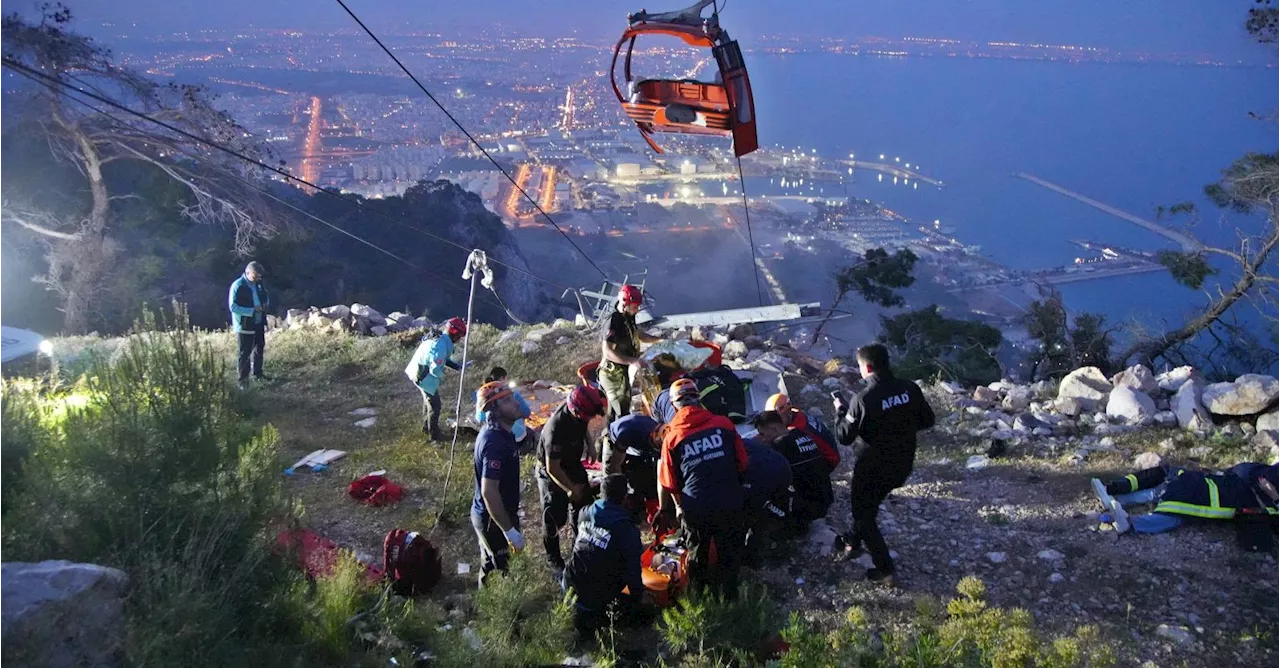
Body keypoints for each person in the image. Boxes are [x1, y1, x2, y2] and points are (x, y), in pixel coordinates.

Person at [832, 344, 935, 585]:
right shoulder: (910, 388)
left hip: (872, 467)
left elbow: (844, 437)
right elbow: (927, 420)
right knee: (869, 507)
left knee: (863, 515)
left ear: (866, 367)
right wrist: (901, 429)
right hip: (903, 463)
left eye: (859, 367)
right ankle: (852, 541)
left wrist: (840, 413)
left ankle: (885, 570)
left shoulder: (863, 400)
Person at [656, 378, 749, 597]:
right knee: (730, 550)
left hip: (697, 506)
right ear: (699, 398)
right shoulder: (724, 424)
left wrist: (678, 507)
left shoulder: (672, 438)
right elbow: (743, 463)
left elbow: (669, 482)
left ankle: (699, 597)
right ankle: (730, 597)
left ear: (673, 405)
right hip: (729, 500)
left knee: (698, 552)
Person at [563, 474, 651, 640]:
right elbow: (633, 575)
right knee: (647, 613)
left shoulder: (584, 512)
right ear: (625, 498)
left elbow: (591, 545)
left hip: (570, 584)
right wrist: (639, 598)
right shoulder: (626, 529)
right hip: (597, 598)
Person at [536, 385, 608, 577]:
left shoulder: (580, 410)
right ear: (576, 412)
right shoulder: (556, 428)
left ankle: (582, 548)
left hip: (572, 463)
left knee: (583, 506)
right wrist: (569, 489)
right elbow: (553, 468)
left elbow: (583, 425)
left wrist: (590, 444)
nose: (590, 420)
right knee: (554, 517)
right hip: (553, 472)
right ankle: (554, 559)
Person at [1091, 461, 1280, 534]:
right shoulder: (1266, 472)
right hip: (1224, 485)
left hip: (1232, 495)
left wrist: (1275, 498)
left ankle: (1129, 521)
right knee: (1169, 490)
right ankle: (1118, 499)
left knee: (1178, 509)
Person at [471, 381, 527, 587]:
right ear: (494, 409)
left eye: (512, 397)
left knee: (491, 563)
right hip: (492, 519)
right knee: (503, 570)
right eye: (506, 401)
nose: (514, 403)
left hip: (500, 513)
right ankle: (506, 615)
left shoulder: (503, 433)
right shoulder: (493, 443)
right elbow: (489, 491)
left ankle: (486, 602)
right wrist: (509, 531)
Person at [752, 410, 834, 533]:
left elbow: (762, 474)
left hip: (808, 509)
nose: (763, 439)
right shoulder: (800, 433)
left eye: (763, 434)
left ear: (773, 429)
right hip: (825, 498)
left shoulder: (780, 445)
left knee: (759, 502)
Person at [599, 284, 661, 424]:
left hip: (624, 371)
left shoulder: (628, 316)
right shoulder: (614, 321)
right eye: (634, 306)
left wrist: (657, 340)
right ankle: (617, 439)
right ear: (625, 303)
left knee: (614, 411)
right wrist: (632, 361)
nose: (637, 310)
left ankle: (609, 435)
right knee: (622, 411)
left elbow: (636, 333)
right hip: (613, 375)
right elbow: (607, 352)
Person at [404, 317, 468, 442]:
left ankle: (426, 427)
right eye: (460, 336)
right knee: (435, 405)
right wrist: (442, 376)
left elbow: (443, 359)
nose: (460, 339)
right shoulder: (441, 346)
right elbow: (435, 369)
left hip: (415, 370)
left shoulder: (440, 338)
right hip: (423, 377)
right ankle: (434, 436)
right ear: (455, 335)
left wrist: (457, 367)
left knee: (428, 401)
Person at [740, 436, 793, 566]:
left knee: (748, 514)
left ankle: (751, 555)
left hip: (764, 476)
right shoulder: (739, 440)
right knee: (771, 503)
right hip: (783, 468)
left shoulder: (725, 452)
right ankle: (784, 529)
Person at [603, 413, 663, 522]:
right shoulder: (626, 433)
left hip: (637, 448)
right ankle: (618, 519)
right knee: (612, 485)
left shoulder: (659, 431)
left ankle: (645, 512)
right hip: (615, 441)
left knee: (646, 479)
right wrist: (623, 494)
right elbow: (615, 468)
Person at [765, 393, 840, 472]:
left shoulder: (798, 429)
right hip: (827, 453)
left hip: (828, 461)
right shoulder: (798, 415)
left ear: (787, 412)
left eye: (776, 418)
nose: (773, 422)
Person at [228, 261, 271, 386]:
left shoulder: (258, 283)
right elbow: (233, 307)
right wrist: (251, 310)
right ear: (247, 273)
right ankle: (243, 380)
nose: (258, 278)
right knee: (245, 352)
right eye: (255, 276)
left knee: (259, 347)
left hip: (258, 322)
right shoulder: (238, 285)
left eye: (259, 276)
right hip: (245, 325)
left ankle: (258, 374)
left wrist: (265, 304)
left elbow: (265, 296)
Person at [475, 366, 532, 446]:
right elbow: (526, 412)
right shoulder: (510, 393)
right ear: (502, 378)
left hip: (497, 437)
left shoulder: (485, 396)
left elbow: (480, 419)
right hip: (518, 437)